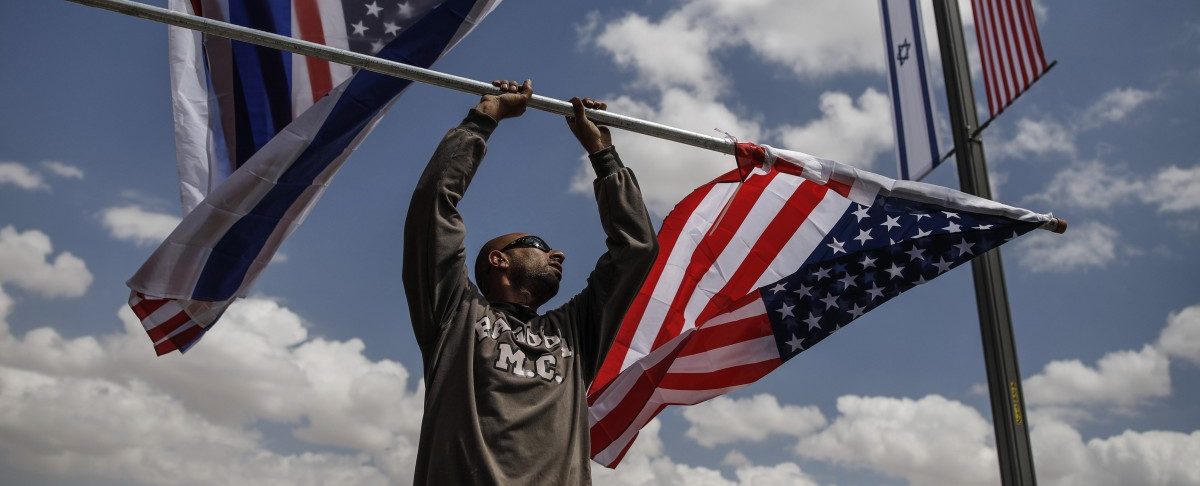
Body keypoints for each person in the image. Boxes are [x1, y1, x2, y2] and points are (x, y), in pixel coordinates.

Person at [402, 79, 658, 485]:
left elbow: (637, 249)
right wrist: (484, 118)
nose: (559, 254)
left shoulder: (576, 332)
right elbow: (433, 206)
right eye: (539, 245)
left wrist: (603, 154)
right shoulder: (455, 315)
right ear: (498, 260)